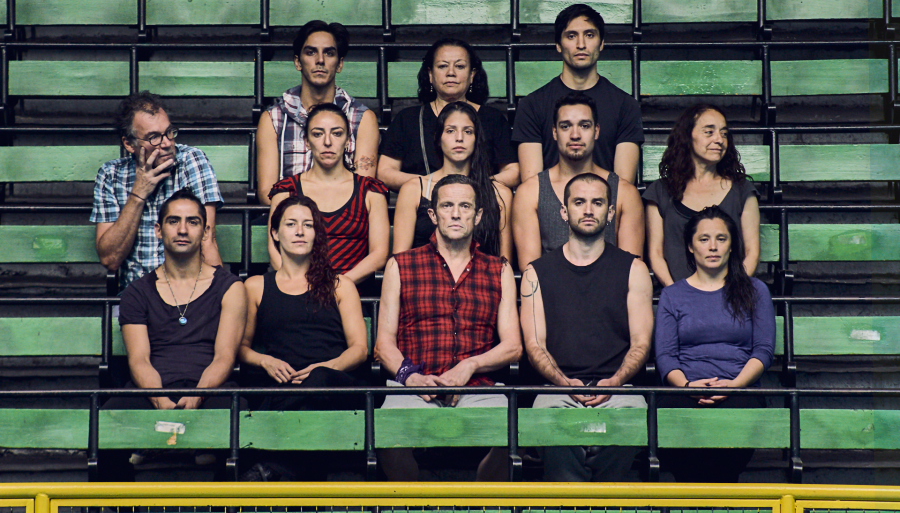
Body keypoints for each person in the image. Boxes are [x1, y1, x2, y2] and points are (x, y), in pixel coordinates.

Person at [374, 174, 522, 481]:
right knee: (386, 428)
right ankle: (413, 503)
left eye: (465, 206)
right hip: (415, 385)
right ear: (432, 214)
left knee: (511, 429)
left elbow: (513, 346)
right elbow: (383, 345)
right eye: (447, 205)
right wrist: (411, 377)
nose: (456, 213)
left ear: (478, 215)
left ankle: (483, 502)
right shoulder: (400, 265)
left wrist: (469, 366)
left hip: (477, 386)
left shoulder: (499, 268)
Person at [100, 189, 247, 480]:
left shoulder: (231, 288)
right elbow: (139, 359)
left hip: (210, 389)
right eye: (173, 221)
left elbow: (224, 357)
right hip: (152, 390)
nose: (182, 229)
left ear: (205, 232)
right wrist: (159, 400)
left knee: (240, 416)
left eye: (192, 222)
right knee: (106, 419)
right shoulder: (136, 292)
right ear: (158, 230)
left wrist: (197, 397)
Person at [520, 173, 654, 482]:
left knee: (634, 417)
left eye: (597, 202)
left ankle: (607, 497)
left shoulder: (634, 269)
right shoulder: (535, 274)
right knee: (545, 418)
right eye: (579, 202)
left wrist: (615, 381)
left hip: (621, 389)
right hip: (557, 389)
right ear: (564, 212)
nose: (589, 210)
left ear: (610, 213)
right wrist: (564, 382)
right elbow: (535, 344)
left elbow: (641, 342)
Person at [654, 206, 775, 482]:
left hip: (739, 389)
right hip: (684, 391)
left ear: (732, 246)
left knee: (729, 447)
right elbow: (665, 355)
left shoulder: (755, 290)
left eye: (721, 239)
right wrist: (687, 387)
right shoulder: (673, 295)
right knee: (675, 429)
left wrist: (734, 385)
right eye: (704, 239)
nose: (713, 246)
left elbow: (764, 350)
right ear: (690, 246)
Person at [241, 195, 367, 414]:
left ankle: (270, 417)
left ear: (316, 234)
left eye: (308, 225)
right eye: (291, 224)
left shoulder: (340, 285)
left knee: (319, 380)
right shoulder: (255, 286)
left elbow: (359, 349)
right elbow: (240, 348)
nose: (300, 231)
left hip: (332, 385)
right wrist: (265, 361)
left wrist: (324, 368)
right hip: (281, 382)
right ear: (275, 233)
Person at [92, 92, 223, 290]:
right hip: (137, 296)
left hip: (189, 292)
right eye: (154, 137)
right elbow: (110, 259)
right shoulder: (111, 174)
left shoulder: (191, 161)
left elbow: (206, 240)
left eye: (169, 132)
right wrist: (138, 194)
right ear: (129, 144)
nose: (167, 143)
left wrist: (217, 297)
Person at [512, 4, 643, 184]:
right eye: (571, 36)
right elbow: (532, 185)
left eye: (589, 35)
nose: (581, 45)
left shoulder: (625, 105)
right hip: (550, 209)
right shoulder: (532, 105)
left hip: (605, 208)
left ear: (602, 43)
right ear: (558, 45)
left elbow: (623, 186)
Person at [512, 92, 643, 270]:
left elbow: (631, 271)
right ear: (554, 132)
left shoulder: (625, 193)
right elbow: (530, 273)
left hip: (609, 294)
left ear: (596, 131)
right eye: (566, 126)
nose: (575, 135)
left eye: (584, 125)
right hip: (552, 294)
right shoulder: (530, 192)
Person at [256, 20, 380, 204]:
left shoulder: (362, 119)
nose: (320, 60)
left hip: (343, 223)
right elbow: (267, 192)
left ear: (339, 64)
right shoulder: (273, 119)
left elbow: (363, 189)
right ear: (298, 62)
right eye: (310, 52)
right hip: (290, 222)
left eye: (329, 53)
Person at [267, 103, 390, 286]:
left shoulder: (370, 191)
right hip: (297, 291)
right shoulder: (287, 190)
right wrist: (302, 286)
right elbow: (274, 250)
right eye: (317, 134)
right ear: (307, 141)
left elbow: (379, 255)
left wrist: (338, 287)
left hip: (352, 293)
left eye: (337, 133)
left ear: (348, 141)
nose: (327, 142)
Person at [378, 37, 519, 190]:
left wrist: (472, 187)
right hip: (422, 201)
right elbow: (385, 172)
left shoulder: (493, 119)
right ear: (430, 74)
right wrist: (434, 184)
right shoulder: (408, 119)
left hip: (478, 204)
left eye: (459, 66)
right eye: (442, 66)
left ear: (472, 75)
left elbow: (513, 172)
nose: (451, 73)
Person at [644, 103, 760, 286]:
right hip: (678, 300)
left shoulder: (741, 189)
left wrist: (731, 293)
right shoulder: (660, 191)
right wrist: (677, 295)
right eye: (709, 132)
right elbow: (656, 254)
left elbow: (752, 252)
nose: (719, 140)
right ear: (687, 137)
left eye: (724, 133)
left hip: (731, 299)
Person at [392, 101, 513, 262]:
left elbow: (505, 263)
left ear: (477, 138)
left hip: (481, 284)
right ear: (438, 137)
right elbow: (399, 260)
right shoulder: (414, 189)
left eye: (468, 131)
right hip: (425, 282)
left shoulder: (499, 193)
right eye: (450, 131)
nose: (459, 138)